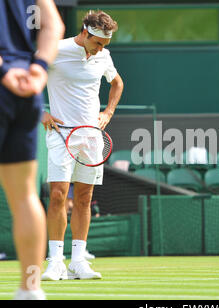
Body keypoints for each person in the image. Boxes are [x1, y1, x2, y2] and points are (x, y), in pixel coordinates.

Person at [0, 0, 64, 300]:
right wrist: (40, 69)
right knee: (25, 195)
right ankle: (31, 290)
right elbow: (54, 24)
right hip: (28, 87)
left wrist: (1, 72)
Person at [41, 10, 124, 281]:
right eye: (98, 43)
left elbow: (117, 83)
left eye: (105, 45)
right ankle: (55, 262)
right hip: (60, 134)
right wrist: (39, 112)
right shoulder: (56, 49)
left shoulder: (104, 56)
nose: (101, 49)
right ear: (85, 33)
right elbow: (27, 77)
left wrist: (108, 113)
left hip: (91, 136)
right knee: (58, 196)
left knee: (84, 198)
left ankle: (78, 262)